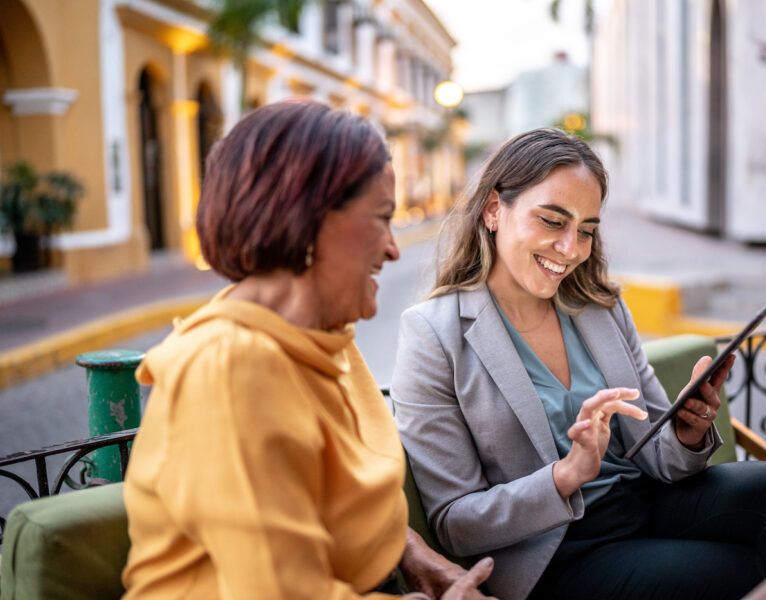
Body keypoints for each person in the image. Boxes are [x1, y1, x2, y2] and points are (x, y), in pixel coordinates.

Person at [391, 128, 766, 600]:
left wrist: (688, 430)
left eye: (586, 230)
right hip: (556, 550)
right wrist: (565, 475)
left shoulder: (597, 307)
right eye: (551, 221)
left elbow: (658, 452)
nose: (571, 249)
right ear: (492, 211)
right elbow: (453, 523)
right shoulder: (433, 333)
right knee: (748, 569)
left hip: (646, 500)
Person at [121, 100, 495, 599]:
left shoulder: (319, 337)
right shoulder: (234, 367)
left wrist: (415, 556)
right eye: (381, 218)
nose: (392, 248)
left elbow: (325, 498)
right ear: (308, 221)